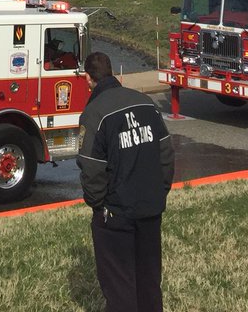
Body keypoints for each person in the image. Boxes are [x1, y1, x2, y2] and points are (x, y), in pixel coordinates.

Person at [77, 52, 175, 312]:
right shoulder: (146, 103)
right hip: (150, 208)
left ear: (88, 78)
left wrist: (98, 205)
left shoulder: (94, 112)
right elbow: (165, 153)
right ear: (114, 74)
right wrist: (159, 193)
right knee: (149, 281)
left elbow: (90, 166)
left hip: (116, 213)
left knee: (120, 286)